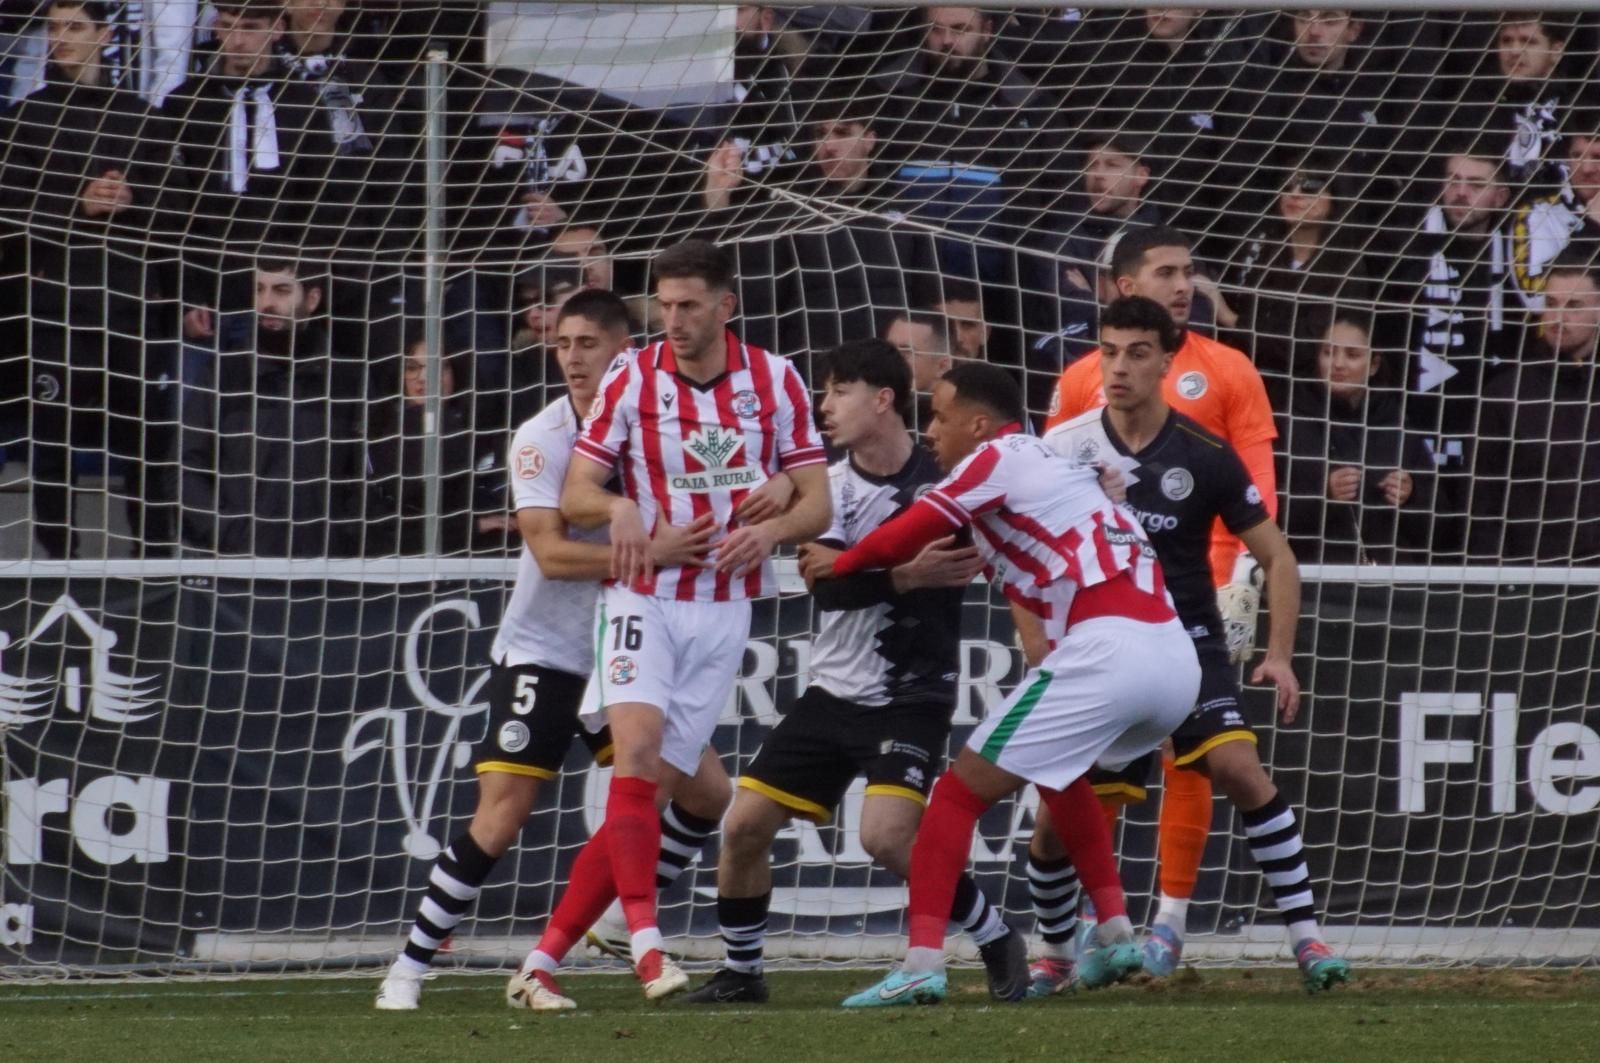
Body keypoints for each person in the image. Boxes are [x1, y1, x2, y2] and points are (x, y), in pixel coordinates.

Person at [375, 290, 758, 1010]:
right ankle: (411, 963)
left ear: (626, 350)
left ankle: (614, 918)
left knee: (705, 793)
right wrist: (649, 550)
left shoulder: (662, 417)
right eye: (562, 345)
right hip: (548, 648)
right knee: (503, 812)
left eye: (588, 344)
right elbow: (550, 553)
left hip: (631, 640)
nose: (573, 358)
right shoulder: (542, 436)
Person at [510, 239, 831, 1008]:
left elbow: (817, 501)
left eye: (689, 305)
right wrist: (619, 504)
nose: (674, 320)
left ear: (727, 306)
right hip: (644, 594)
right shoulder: (632, 374)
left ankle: (541, 963)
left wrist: (773, 532)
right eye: (665, 304)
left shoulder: (775, 378)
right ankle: (649, 948)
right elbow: (579, 492)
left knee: (651, 789)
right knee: (639, 753)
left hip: (724, 608)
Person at [818, 361, 1200, 1006]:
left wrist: (843, 563)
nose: (930, 431)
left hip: (1114, 650)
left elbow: (908, 532)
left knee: (954, 798)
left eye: (939, 415)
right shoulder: (1053, 475)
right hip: (1171, 659)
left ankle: (922, 963)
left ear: (978, 422)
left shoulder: (998, 455)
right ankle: (1113, 933)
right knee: (1061, 772)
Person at [681, 338, 1021, 1004]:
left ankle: (994, 933)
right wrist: (903, 574)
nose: (824, 406)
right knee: (744, 825)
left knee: (885, 837)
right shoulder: (825, 490)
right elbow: (827, 586)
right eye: (823, 391)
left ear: (883, 399)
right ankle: (742, 972)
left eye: (839, 391)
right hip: (832, 690)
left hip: (912, 691)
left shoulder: (949, 476)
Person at [1034, 296, 1350, 993]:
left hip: (1188, 644)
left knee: (1240, 770)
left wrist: (1279, 654)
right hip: (1099, 649)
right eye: (1109, 350)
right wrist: (1039, 647)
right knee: (1056, 814)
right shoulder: (1064, 450)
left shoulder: (1204, 455)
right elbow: (1022, 556)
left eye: (1137, 352)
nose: (1119, 367)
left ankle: (1309, 942)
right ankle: (1053, 954)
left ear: (1166, 362)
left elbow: (1280, 557)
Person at [1042, 226, 1281, 962]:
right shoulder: (1084, 377)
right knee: (1096, 758)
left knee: (1196, 754)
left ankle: (1170, 921)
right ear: (1123, 287)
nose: (1185, 284)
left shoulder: (1231, 368)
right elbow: (1049, 495)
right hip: (1110, 598)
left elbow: (1256, 492)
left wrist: (1243, 578)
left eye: (1190, 270)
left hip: (1204, 594)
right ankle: (1096, 918)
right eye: (1168, 271)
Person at [0, 0, 174, 558]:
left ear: (103, 34)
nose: (61, 38)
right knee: (52, 444)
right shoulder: (25, 118)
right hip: (56, 308)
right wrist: (79, 203)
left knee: (144, 443)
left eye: (74, 27)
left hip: (128, 307)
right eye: (53, 28)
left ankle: (152, 561)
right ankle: (58, 565)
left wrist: (132, 199)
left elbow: (175, 211)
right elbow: (10, 213)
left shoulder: (142, 117)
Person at [178, 251, 367, 558]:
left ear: (312, 299)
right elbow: (186, 465)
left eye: (281, 291)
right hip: (240, 564)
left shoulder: (347, 378)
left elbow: (365, 473)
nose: (266, 303)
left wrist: (344, 534)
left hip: (328, 567)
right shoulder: (225, 373)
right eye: (259, 289)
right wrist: (223, 531)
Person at [1470, 249, 1600, 565]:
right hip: (1535, 582)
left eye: (1573, 307)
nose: (1558, 319)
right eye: (1551, 304)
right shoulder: (1505, 394)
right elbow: (1483, 504)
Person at [1280, 310, 1435, 565]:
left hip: (1389, 581)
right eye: (1328, 352)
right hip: (1312, 576)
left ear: (1374, 364)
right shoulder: (1290, 421)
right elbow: (1263, 512)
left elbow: (1443, 527)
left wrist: (1412, 495)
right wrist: (1323, 493)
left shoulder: (1397, 425)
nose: (1338, 364)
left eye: (1352, 355)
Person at [1214, 156, 1374, 399]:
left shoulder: (1348, 266)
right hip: (1242, 383)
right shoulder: (1257, 248)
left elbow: (1306, 345)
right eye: (1287, 187)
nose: (1295, 194)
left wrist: (1230, 318)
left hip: (1308, 397)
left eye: (1309, 187)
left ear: (1334, 197)